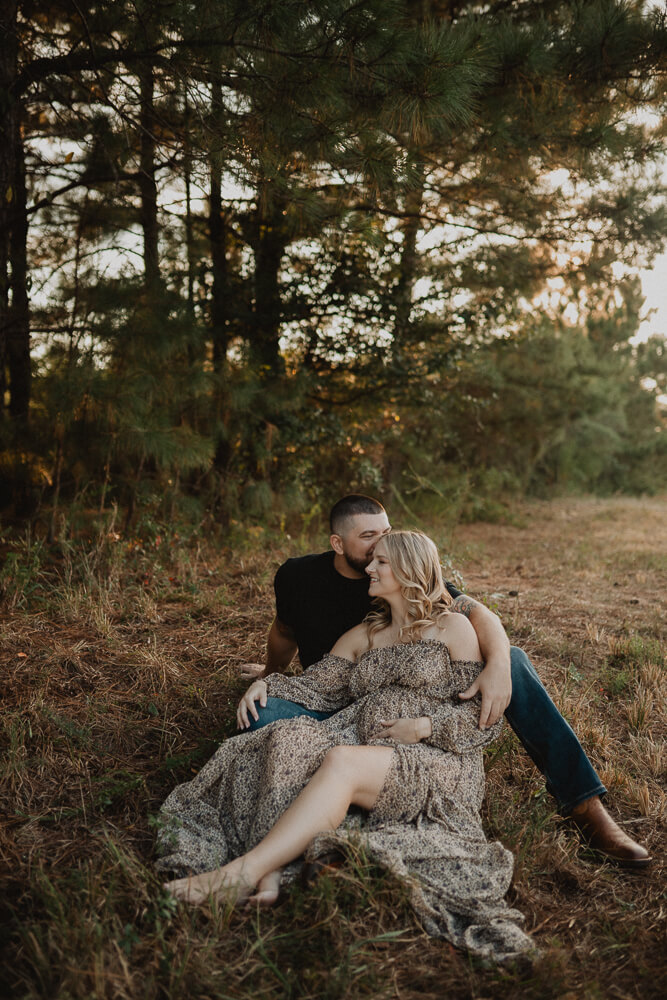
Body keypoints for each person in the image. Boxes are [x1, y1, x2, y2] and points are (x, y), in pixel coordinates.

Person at [158, 531, 535, 962]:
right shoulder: (365, 634)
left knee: (340, 762)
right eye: (371, 560)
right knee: (288, 739)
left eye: (381, 563)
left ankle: (241, 872)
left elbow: (480, 720)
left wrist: (424, 727)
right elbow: (314, 689)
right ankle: (275, 868)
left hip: (439, 758)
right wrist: (265, 682)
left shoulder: (453, 628)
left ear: (411, 570)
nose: (369, 569)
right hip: (361, 740)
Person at [238, 494, 650, 868]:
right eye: (370, 537)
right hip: (333, 693)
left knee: (516, 662)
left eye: (387, 533)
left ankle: (585, 807)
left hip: (413, 700)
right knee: (259, 718)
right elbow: (284, 632)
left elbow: (479, 615)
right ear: (338, 543)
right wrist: (270, 676)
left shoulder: (401, 568)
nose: (383, 543)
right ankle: (328, 816)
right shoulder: (298, 576)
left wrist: (500, 666)